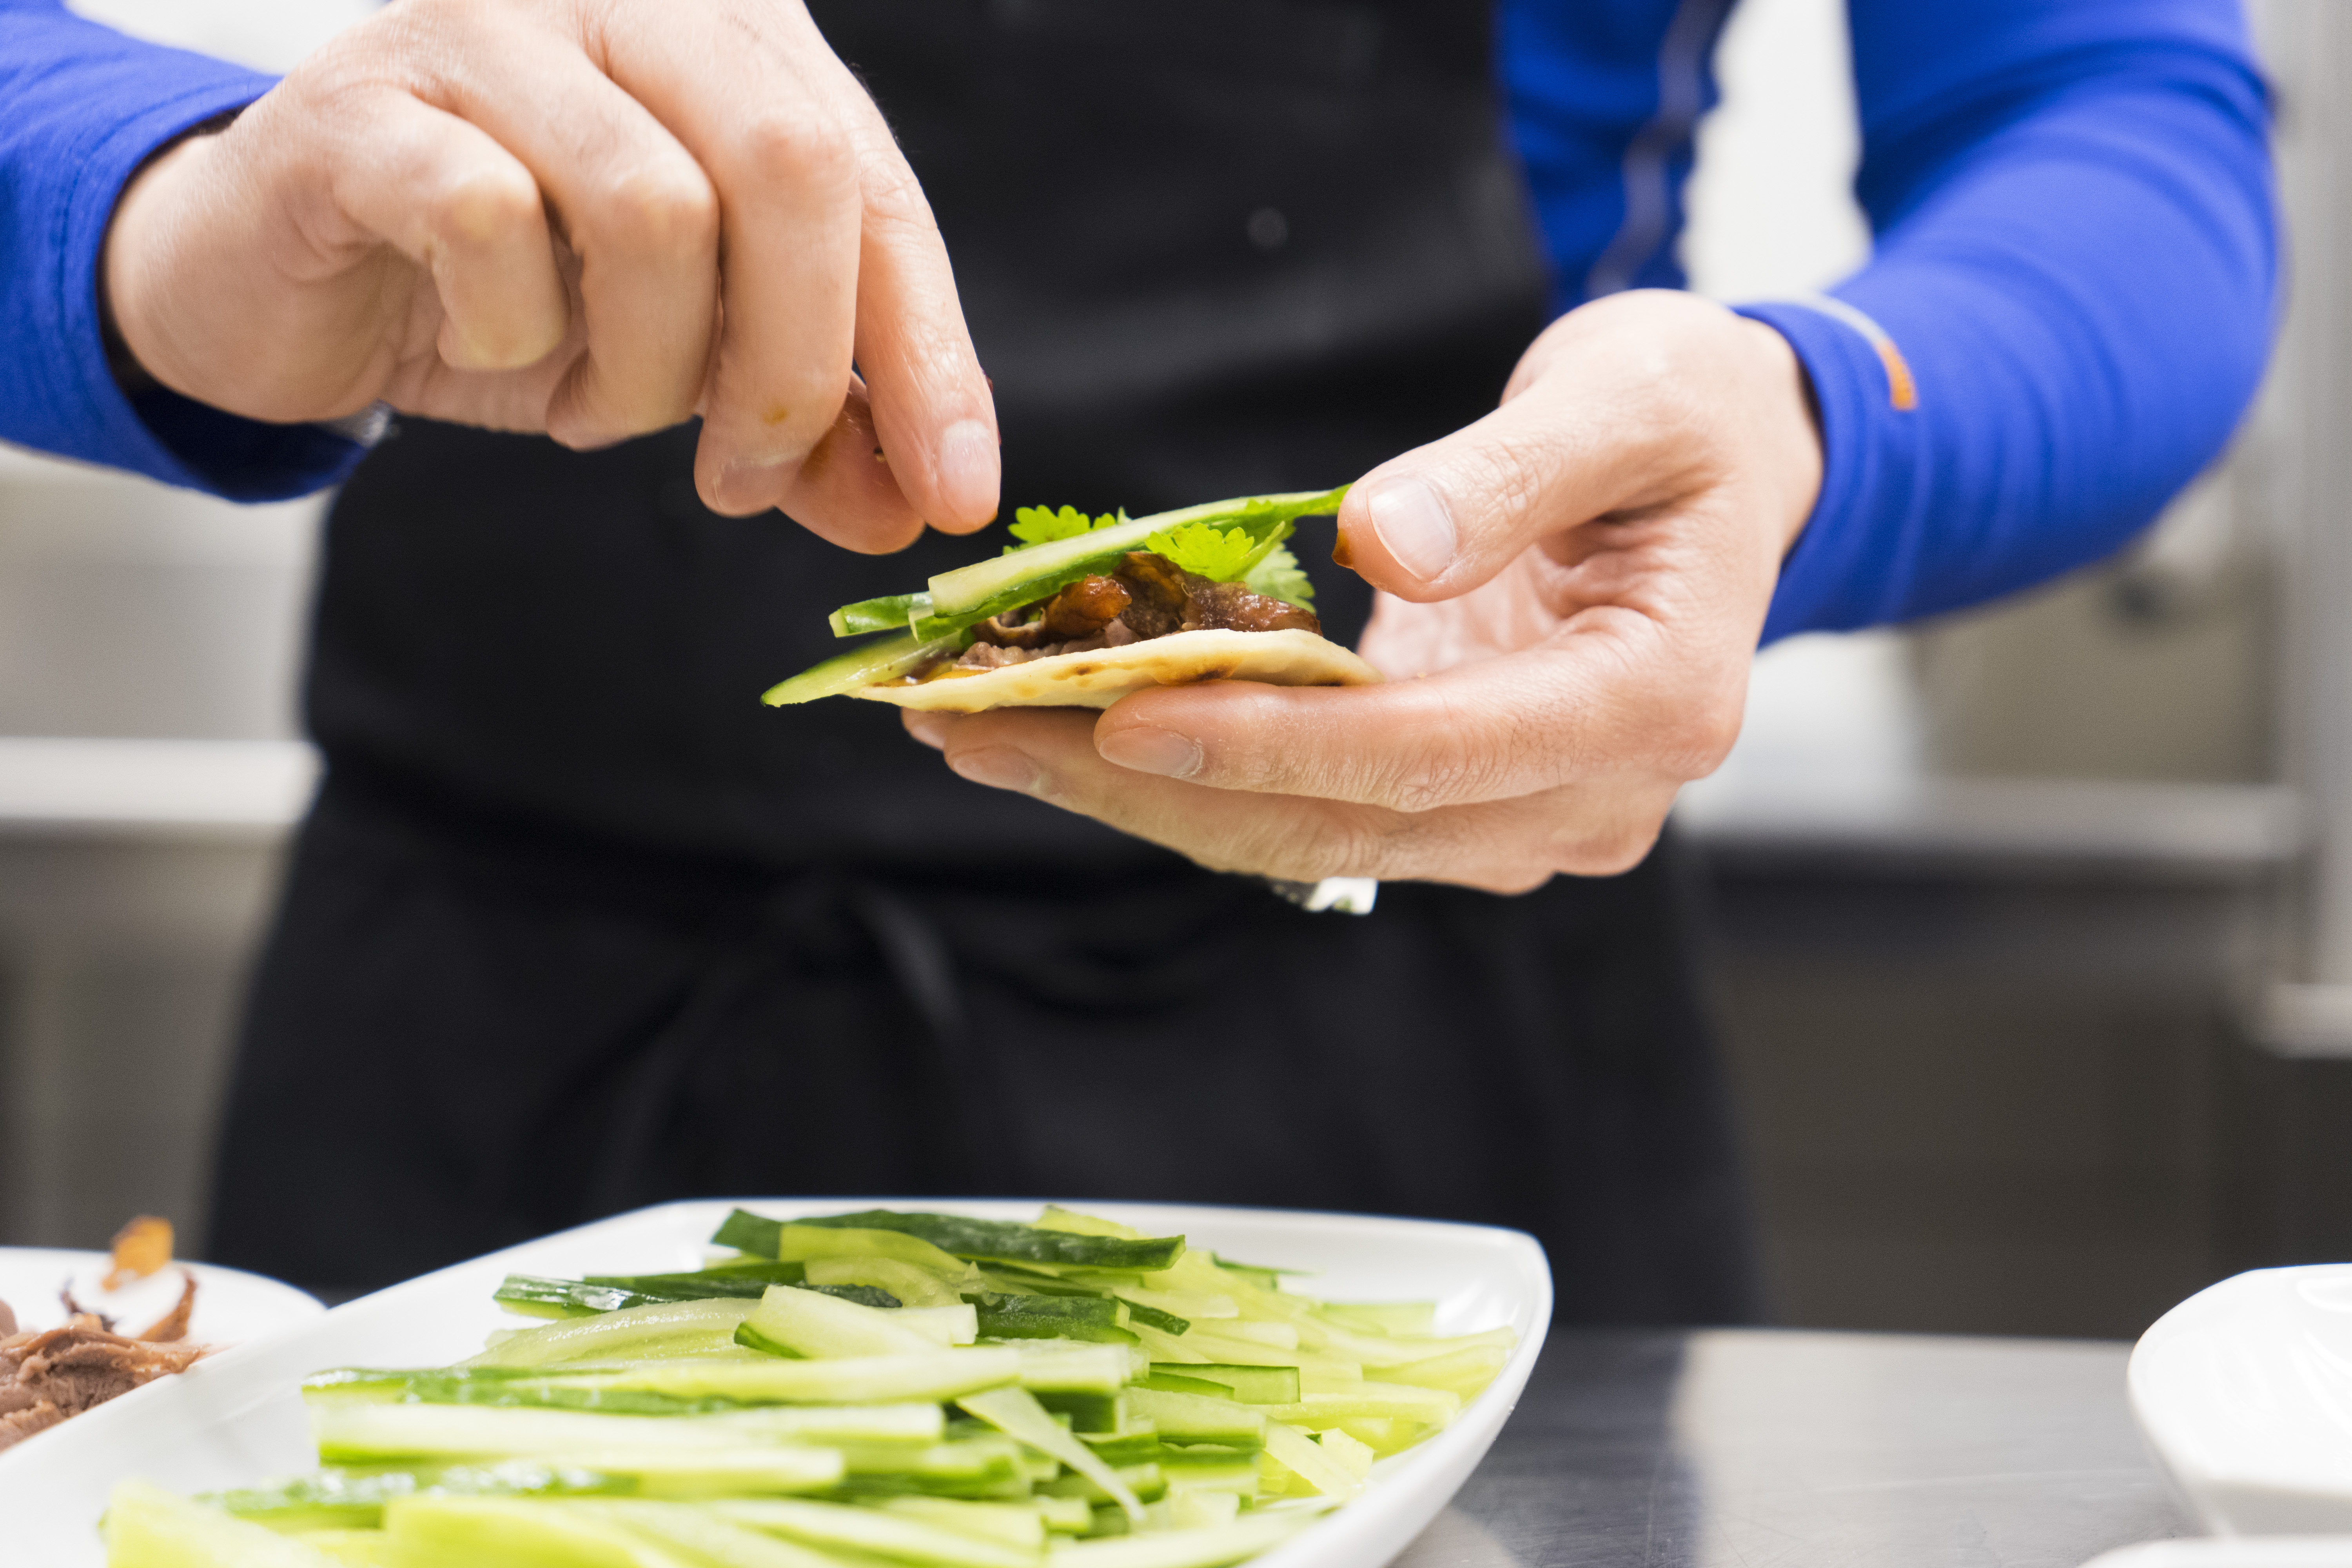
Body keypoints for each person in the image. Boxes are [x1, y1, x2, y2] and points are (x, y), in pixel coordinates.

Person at [0, 1, 2274, 1316]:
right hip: (489, 1036)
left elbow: (2110, 129)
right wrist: (156, 207)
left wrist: (1804, 421)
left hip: (1410, 1027)